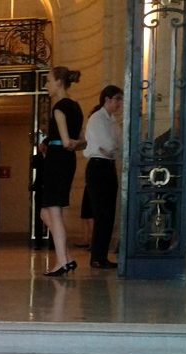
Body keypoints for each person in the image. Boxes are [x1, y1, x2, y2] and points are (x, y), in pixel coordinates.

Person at [40, 66, 85, 277]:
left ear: (59, 82)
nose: (46, 85)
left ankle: (61, 261)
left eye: (48, 80)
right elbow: (81, 142)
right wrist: (71, 143)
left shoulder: (58, 107)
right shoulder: (76, 107)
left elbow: (66, 141)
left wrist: (56, 142)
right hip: (67, 161)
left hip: (56, 161)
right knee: (45, 212)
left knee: (54, 212)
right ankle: (66, 258)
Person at [82, 84, 124, 269]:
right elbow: (106, 146)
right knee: (101, 213)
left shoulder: (112, 120)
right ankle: (97, 257)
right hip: (98, 167)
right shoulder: (97, 119)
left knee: (109, 214)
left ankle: (102, 256)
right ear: (107, 99)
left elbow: (118, 144)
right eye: (117, 99)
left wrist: (113, 149)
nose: (120, 103)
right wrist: (112, 149)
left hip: (108, 166)